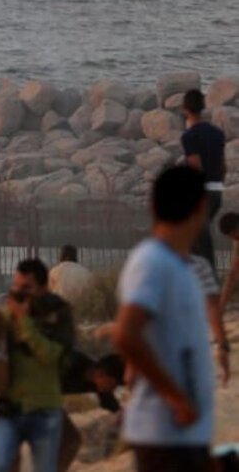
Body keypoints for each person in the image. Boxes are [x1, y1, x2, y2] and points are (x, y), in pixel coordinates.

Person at [113, 166, 215, 472]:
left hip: (184, 435)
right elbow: (126, 335)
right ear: (201, 209)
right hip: (164, 435)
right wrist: (177, 399)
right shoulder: (152, 262)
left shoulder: (182, 266)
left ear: (153, 207)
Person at [0, 259, 74, 472]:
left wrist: (24, 323)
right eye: (16, 286)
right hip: (10, 407)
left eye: (26, 288)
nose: (18, 292)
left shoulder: (58, 313)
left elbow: (51, 356)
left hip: (44, 409)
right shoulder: (8, 314)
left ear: (42, 288)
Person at [180, 89, 227, 271]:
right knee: (195, 238)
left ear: (185, 109)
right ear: (203, 107)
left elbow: (195, 166)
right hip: (216, 192)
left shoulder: (189, 136)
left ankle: (208, 286)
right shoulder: (217, 133)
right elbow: (223, 167)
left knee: (199, 242)